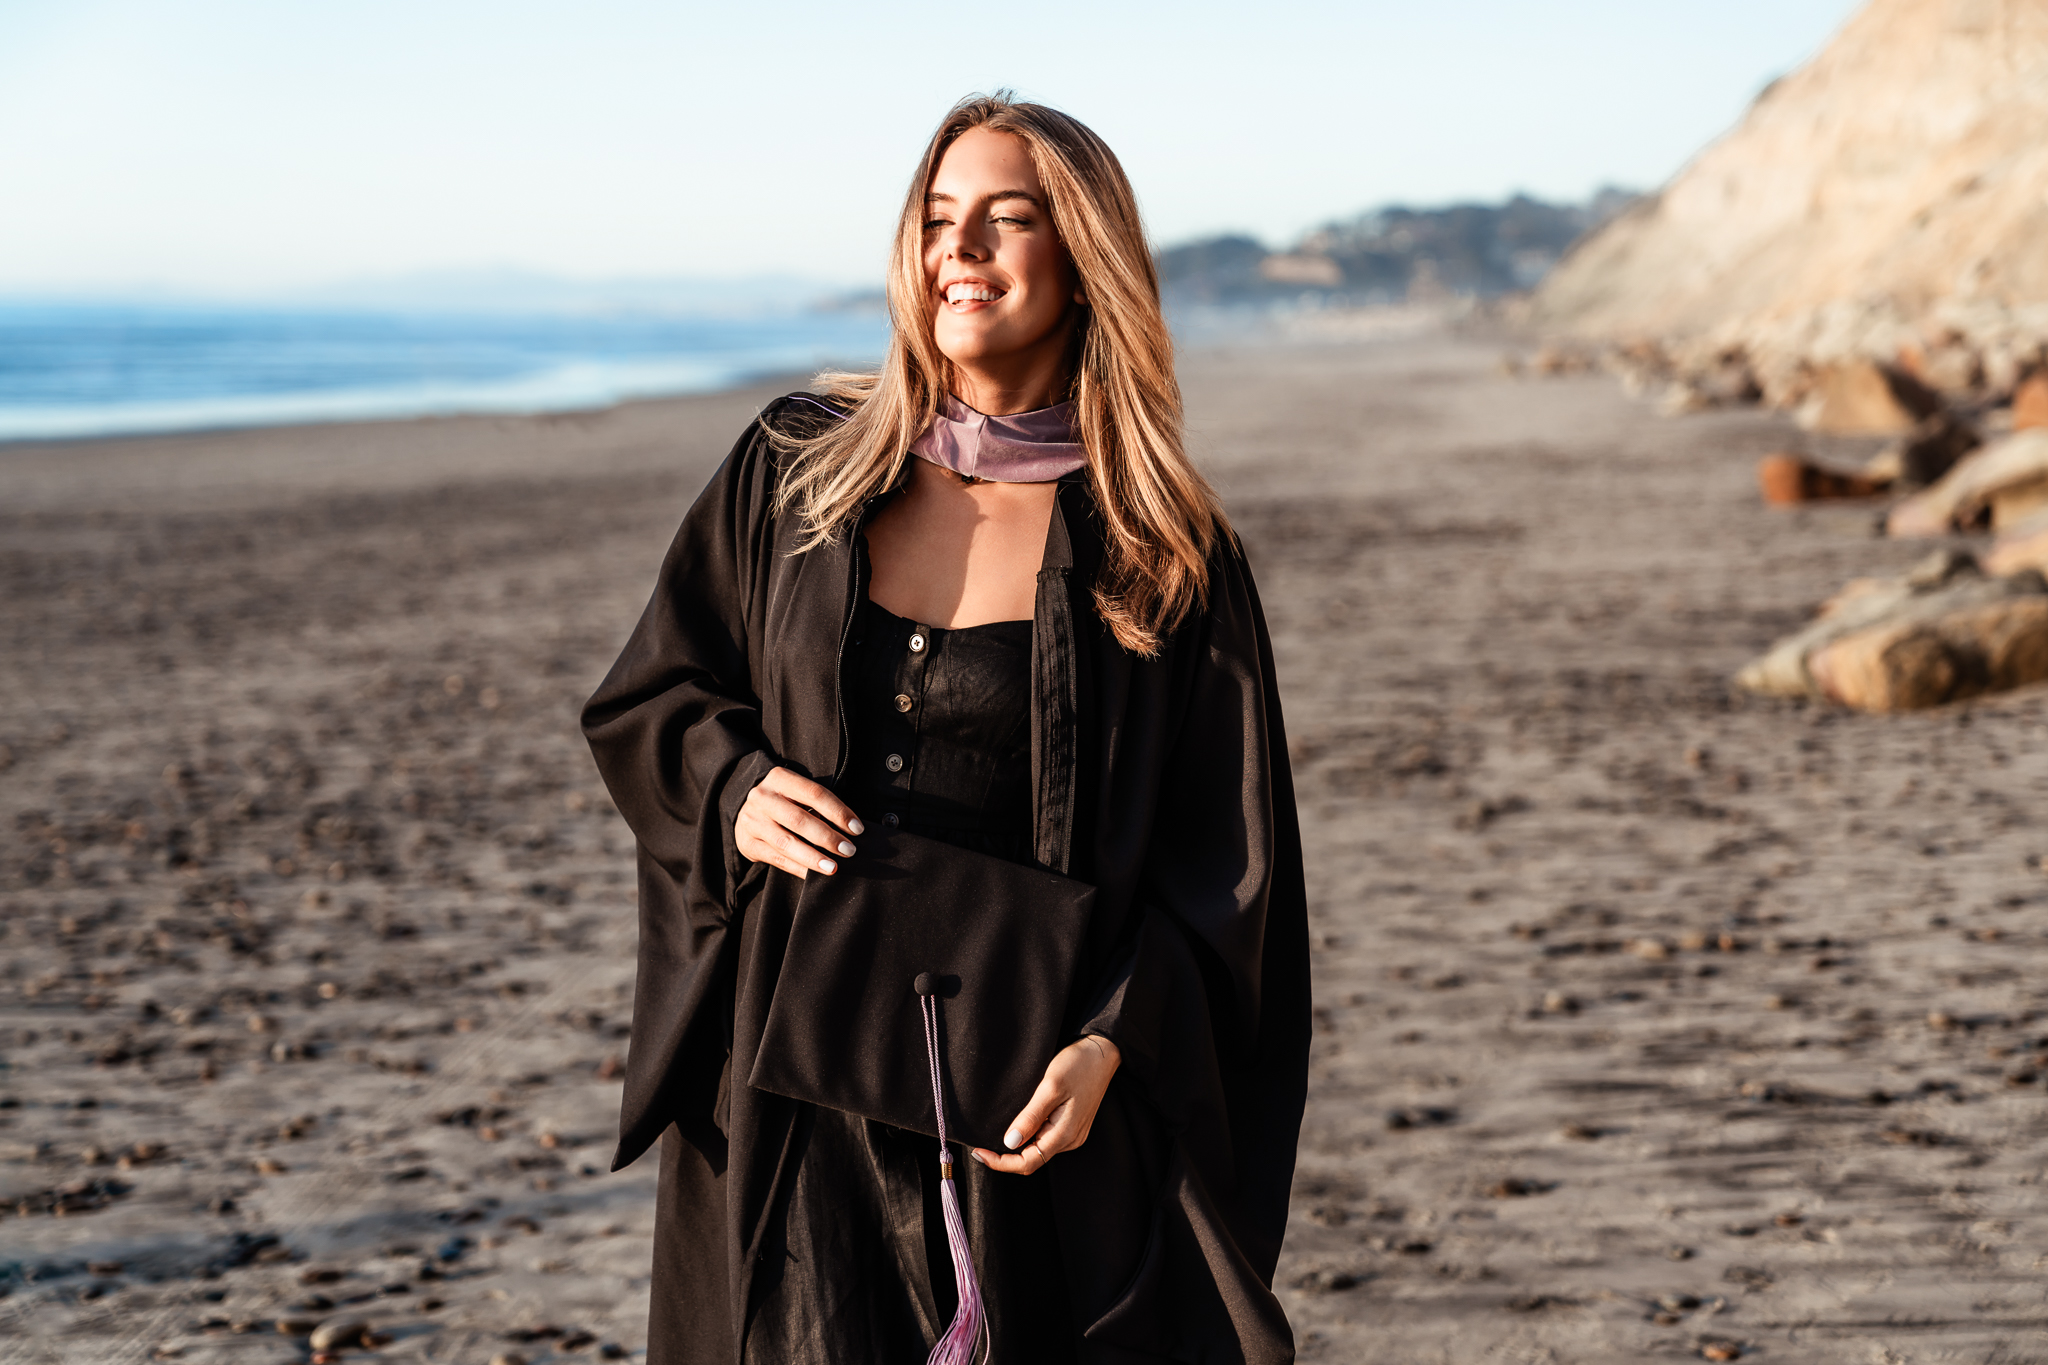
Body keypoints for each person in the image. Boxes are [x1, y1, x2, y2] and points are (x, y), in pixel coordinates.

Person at [583, 91, 1310, 1365]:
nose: (956, 251)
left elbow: (1232, 879)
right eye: (934, 220)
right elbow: (654, 693)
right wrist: (733, 785)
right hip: (787, 1085)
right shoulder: (794, 470)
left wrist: (1110, 1046)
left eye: (1004, 220)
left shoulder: (1163, 554)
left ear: (1083, 260)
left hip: (1023, 1102)